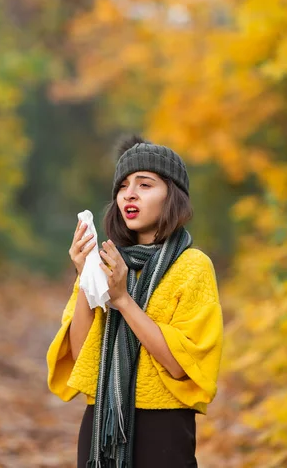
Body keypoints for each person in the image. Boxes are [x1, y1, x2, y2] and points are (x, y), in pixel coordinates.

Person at [46, 134, 224, 468]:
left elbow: (180, 365)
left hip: (164, 428)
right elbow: (82, 353)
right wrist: (86, 277)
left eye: (145, 185)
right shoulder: (105, 263)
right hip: (100, 424)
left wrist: (123, 300)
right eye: (123, 185)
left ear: (173, 196)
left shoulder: (192, 266)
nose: (129, 193)